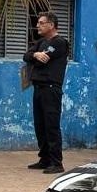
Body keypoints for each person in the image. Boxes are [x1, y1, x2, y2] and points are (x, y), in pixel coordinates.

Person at [23, 11, 69, 173]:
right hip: (38, 88)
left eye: (41, 23)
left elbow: (42, 62)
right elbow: (26, 56)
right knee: (40, 125)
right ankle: (45, 159)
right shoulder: (41, 43)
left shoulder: (60, 43)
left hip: (51, 89)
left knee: (51, 125)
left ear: (51, 25)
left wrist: (35, 58)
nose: (38, 26)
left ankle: (56, 163)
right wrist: (35, 54)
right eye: (38, 23)